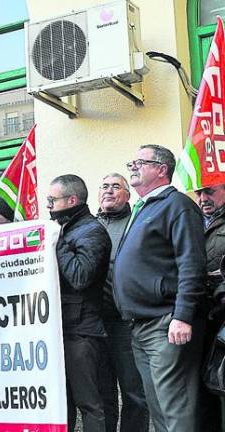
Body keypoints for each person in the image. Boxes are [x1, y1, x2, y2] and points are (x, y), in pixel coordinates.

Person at [114, 144, 206, 432]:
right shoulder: (144, 208)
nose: (133, 167)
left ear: (161, 169)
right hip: (140, 325)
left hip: (166, 322)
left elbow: (191, 263)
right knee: (158, 408)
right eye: (133, 161)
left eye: (140, 162)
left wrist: (182, 315)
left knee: (175, 407)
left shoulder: (176, 205)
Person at [47, 174, 111, 432]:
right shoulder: (69, 228)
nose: (48, 205)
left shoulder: (91, 231)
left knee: (89, 403)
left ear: (71, 199)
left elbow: (80, 276)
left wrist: (56, 241)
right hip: (64, 329)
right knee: (64, 403)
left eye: (52, 200)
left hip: (83, 331)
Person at [95, 174, 149, 432]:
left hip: (125, 323)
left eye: (116, 186)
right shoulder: (91, 225)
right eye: (104, 186)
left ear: (128, 195)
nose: (109, 191)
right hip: (95, 323)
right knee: (102, 393)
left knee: (134, 393)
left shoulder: (137, 222)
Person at [195, 183, 225, 432]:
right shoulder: (192, 221)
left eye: (210, 191)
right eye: (199, 193)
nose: (203, 198)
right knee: (204, 391)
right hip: (201, 318)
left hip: (222, 318)